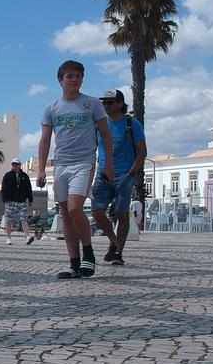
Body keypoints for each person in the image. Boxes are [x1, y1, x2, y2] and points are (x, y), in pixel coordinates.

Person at [37, 60, 115, 278]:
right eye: (69, 76)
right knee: (65, 214)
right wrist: (42, 169)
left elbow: (106, 135)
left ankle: (88, 253)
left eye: (78, 75)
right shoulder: (52, 108)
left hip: (84, 162)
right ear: (60, 80)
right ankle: (74, 263)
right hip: (61, 164)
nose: (74, 79)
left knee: (74, 208)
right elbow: (44, 140)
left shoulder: (92, 104)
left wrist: (108, 164)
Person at [90, 88, 146, 266]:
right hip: (103, 174)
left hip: (124, 175)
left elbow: (142, 152)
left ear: (120, 104)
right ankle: (113, 241)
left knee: (122, 215)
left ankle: (118, 252)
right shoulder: (100, 124)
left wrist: (131, 172)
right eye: (103, 102)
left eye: (110, 102)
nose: (106, 105)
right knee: (96, 211)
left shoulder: (132, 124)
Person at [1, 159, 37, 246]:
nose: (15, 166)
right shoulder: (7, 175)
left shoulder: (25, 176)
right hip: (10, 201)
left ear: (20, 165)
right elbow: (4, 188)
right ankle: (8, 238)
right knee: (8, 220)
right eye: (13, 164)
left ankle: (27, 236)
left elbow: (28, 188)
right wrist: (5, 199)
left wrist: (30, 199)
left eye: (17, 164)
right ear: (12, 165)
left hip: (22, 201)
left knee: (24, 219)